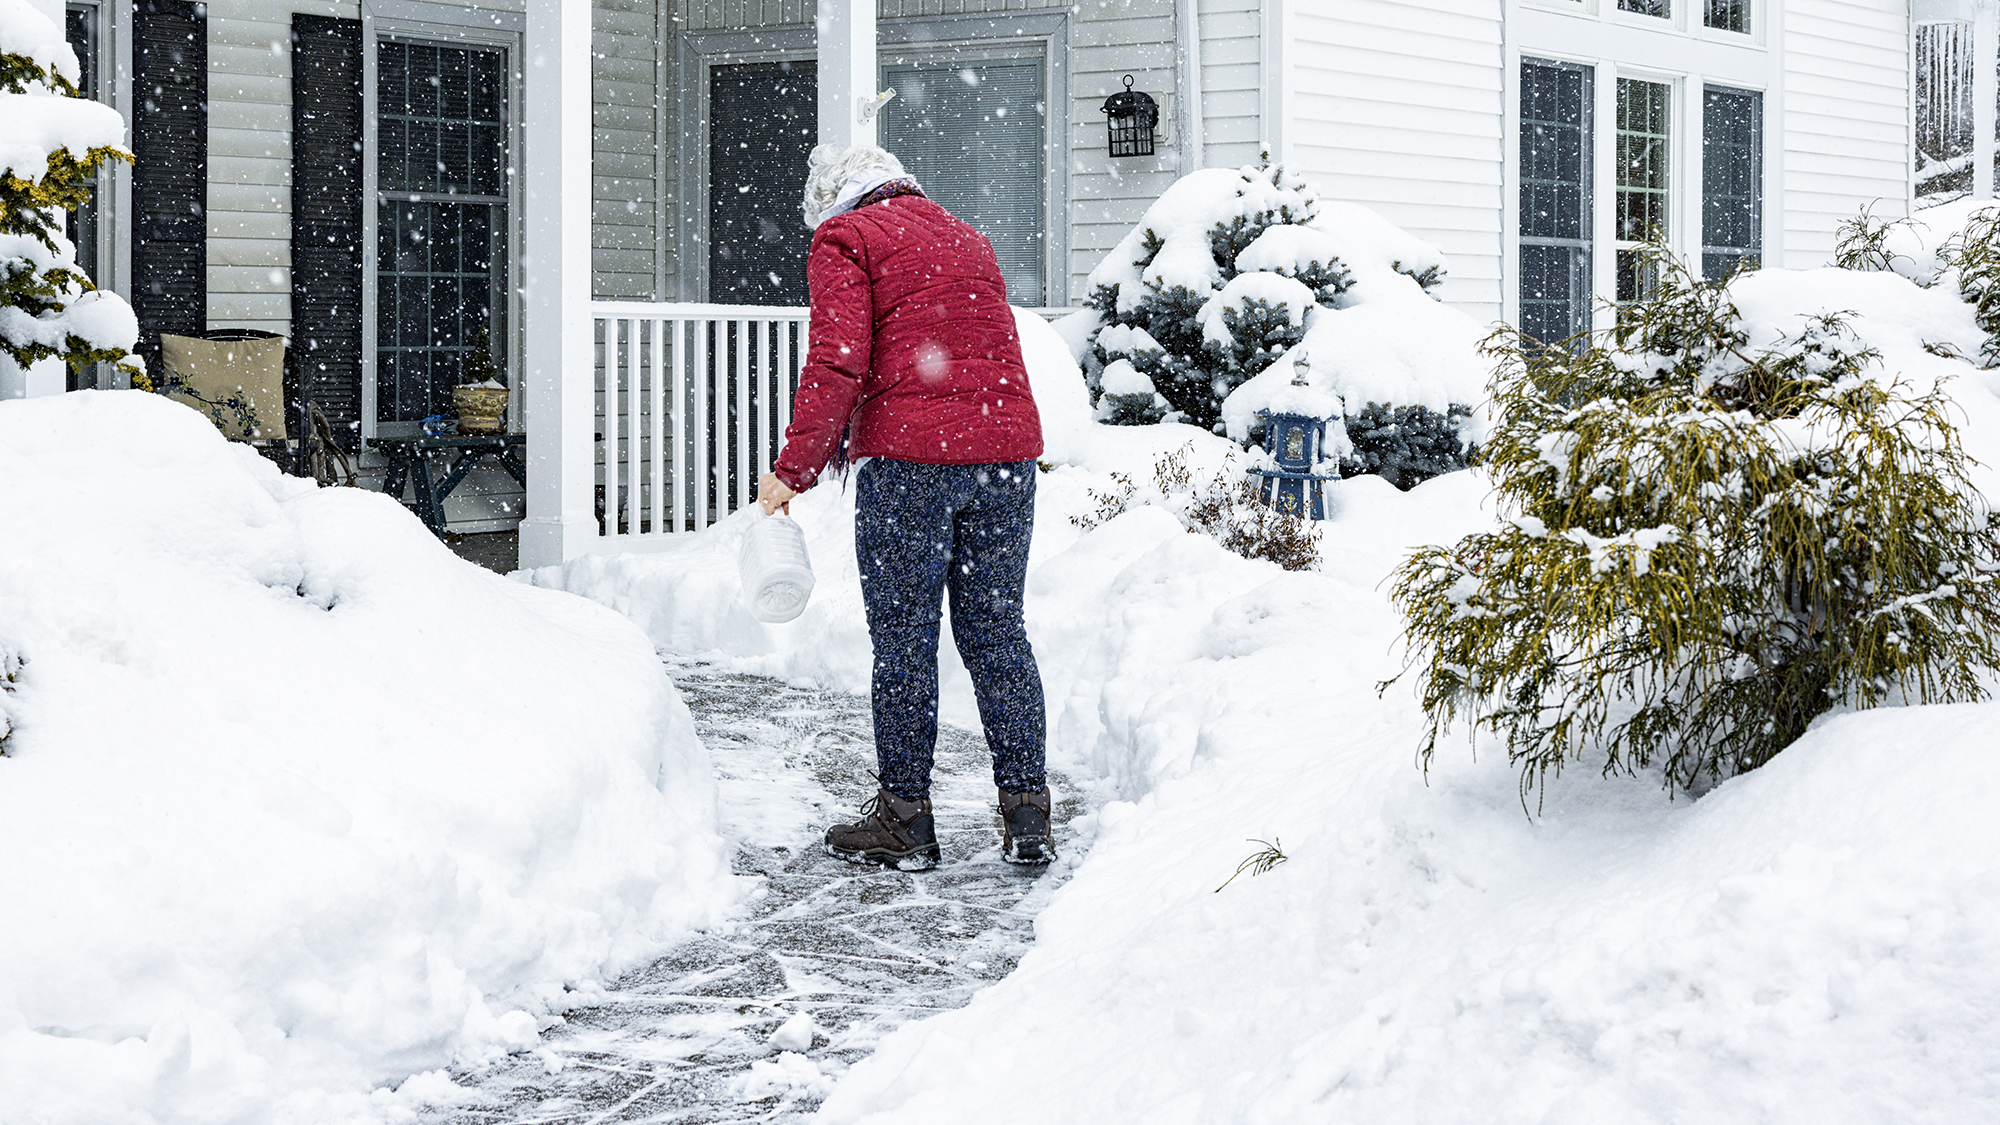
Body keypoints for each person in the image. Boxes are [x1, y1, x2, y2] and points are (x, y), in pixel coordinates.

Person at [755, 144, 1053, 871]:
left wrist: (792, 470)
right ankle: (1026, 811)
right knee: (996, 630)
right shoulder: (965, 233)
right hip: (1005, 459)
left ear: (829, 200)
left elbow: (838, 360)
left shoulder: (845, 238)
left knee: (905, 639)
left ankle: (905, 817)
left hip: (912, 465)